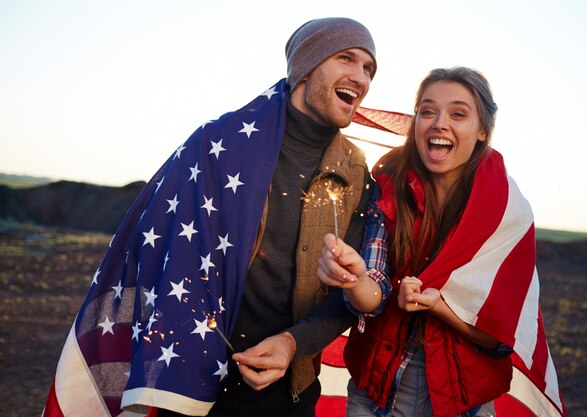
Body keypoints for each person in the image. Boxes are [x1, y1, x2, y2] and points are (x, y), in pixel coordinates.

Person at [43, 17, 376, 417]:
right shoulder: (218, 144)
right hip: (190, 386)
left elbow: (350, 298)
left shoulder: (356, 173)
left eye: (369, 69)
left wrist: (292, 343)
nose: (361, 77)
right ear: (307, 65)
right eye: (346, 58)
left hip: (288, 392)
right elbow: (151, 251)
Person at [318, 67, 567, 417]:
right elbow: (372, 298)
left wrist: (437, 305)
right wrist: (356, 278)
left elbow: (499, 337)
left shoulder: (507, 211)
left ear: (482, 131)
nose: (439, 123)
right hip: (376, 389)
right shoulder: (388, 190)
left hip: (459, 399)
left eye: (458, 114)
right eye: (427, 110)